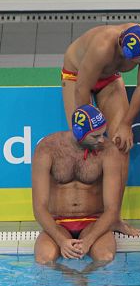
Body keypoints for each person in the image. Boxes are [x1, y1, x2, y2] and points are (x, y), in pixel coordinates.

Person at [32, 105, 125, 264]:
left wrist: (89, 240)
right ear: (79, 133)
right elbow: (39, 207)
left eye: (103, 134)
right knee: (43, 259)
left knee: (105, 259)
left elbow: (112, 209)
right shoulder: (47, 148)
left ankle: (85, 284)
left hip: (95, 222)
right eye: (95, 136)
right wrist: (61, 241)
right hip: (58, 223)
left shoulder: (108, 151)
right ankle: (73, 283)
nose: (101, 139)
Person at [61, 23, 140, 153]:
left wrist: (126, 124)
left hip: (108, 76)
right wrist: (91, 128)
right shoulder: (102, 47)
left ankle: (117, 174)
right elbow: (82, 89)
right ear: (127, 53)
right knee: (85, 140)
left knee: (121, 141)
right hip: (77, 76)